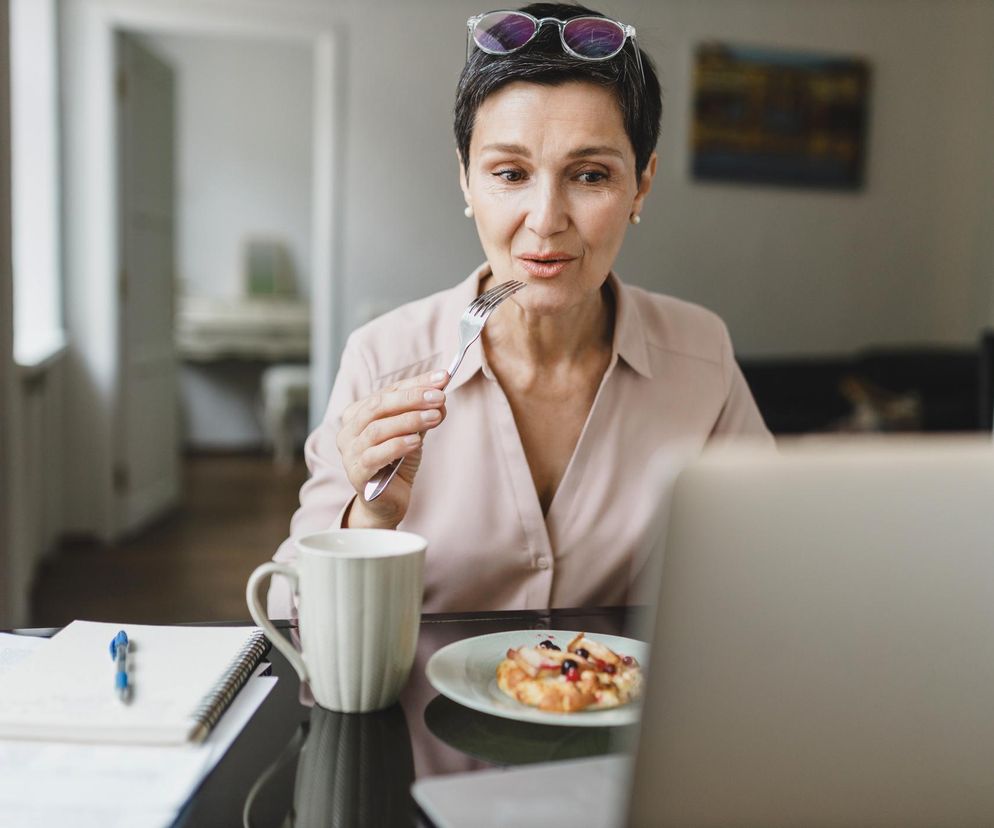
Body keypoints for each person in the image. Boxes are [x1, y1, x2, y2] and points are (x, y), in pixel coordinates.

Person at [268, 3, 772, 618]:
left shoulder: (701, 355)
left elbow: (773, 563)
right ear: (465, 179)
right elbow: (287, 610)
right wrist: (369, 520)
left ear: (641, 185)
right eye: (510, 173)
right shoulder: (381, 358)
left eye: (590, 176)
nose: (546, 219)